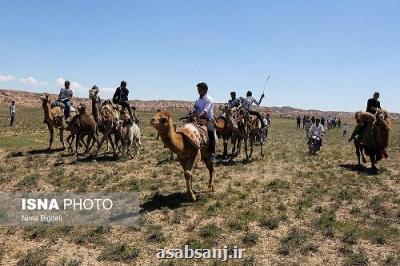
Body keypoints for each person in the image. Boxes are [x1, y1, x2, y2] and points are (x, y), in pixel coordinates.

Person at [192, 82, 216, 163]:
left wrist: (198, 115)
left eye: (200, 90)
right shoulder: (197, 100)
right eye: (198, 90)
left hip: (207, 120)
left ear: (205, 90)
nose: (198, 92)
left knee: (211, 133)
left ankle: (212, 154)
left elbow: (205, 111)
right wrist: (193, 114)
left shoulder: (209, 99)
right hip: (198, 120)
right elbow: (194, 109)